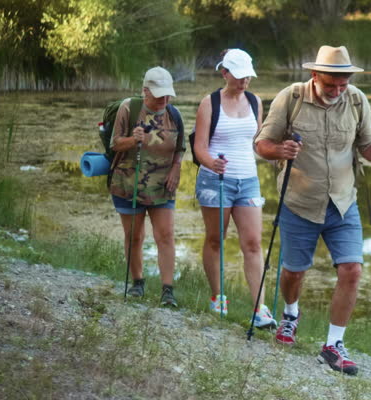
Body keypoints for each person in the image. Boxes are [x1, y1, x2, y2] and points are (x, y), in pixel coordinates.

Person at [255, 45, 371, 375]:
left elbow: (367, 144)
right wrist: (281, 149)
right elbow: (262, 144)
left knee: (352, 270)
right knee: (293, 272)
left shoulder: (357, 100)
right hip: (299, 202)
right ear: (314, 75)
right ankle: (291, 314)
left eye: (342, 84)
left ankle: (333, 345)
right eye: (330, 84)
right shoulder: (290, 98)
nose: (336, 91)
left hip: (343, 203)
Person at [192, 48, 277, 328]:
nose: (244, 82)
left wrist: (277, 153)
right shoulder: (209, 103)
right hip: (215, 180)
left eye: (248, 77)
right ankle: (218, 297)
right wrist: (211, 162)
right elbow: (199, 147)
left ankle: (259, 309)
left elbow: (256, 143)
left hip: (248, 180)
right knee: (216, 239)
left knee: (253, 243)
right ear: (224, 73)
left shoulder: (254, 102)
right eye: (239, 76)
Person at [110, 66, 184, 307]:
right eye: (159, 95)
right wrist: (134, 139)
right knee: (134, 236)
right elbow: (116, 144)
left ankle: (167, 290)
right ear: (145, 91)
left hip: (163, 186)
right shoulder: (128, 109)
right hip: (128, 184)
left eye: (167, 95)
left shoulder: (174, 115)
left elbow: (180, 148)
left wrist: (176, 168)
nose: (164, 100)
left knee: (166, 235)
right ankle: (137, 283)